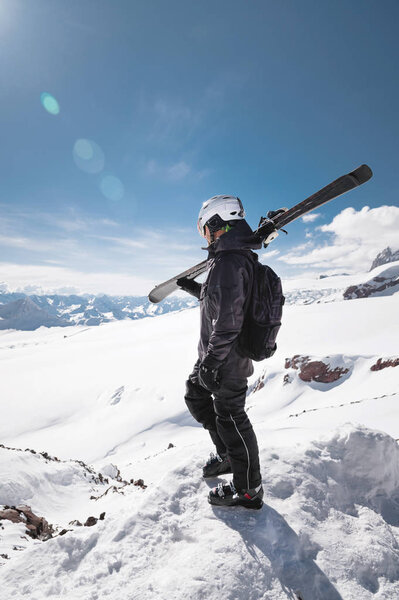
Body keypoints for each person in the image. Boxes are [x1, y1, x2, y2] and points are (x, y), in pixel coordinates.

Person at [177, 195, 264, 510]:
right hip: (218, 355)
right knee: (195, 395)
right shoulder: (230, 259)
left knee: (231, 418)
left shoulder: (228, 262)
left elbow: (228, 321)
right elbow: (223, 300)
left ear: (215, 224)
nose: (204, 237)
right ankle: (228, 455)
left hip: (226, 359)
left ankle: (248, 490)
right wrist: (196, 290)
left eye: (204, 230)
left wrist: (211, 365)